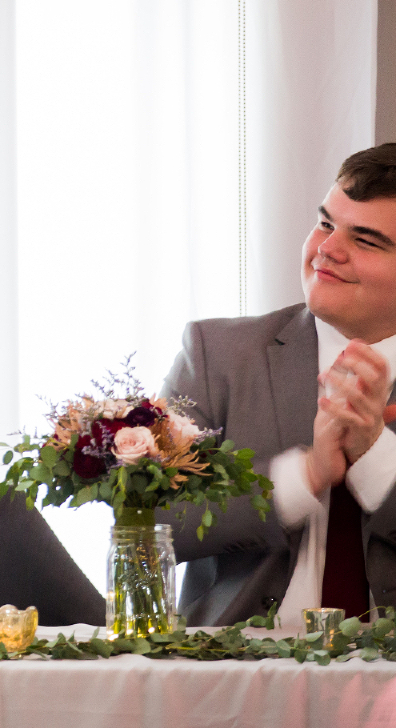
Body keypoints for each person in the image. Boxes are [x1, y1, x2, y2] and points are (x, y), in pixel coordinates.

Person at [162, 145, 396, 626]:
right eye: (326, 223)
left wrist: (374, 456)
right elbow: (156, 522)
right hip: (238, 675)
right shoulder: (216, 353)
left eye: (367, 240)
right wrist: (305, 475)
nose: (327, 249)